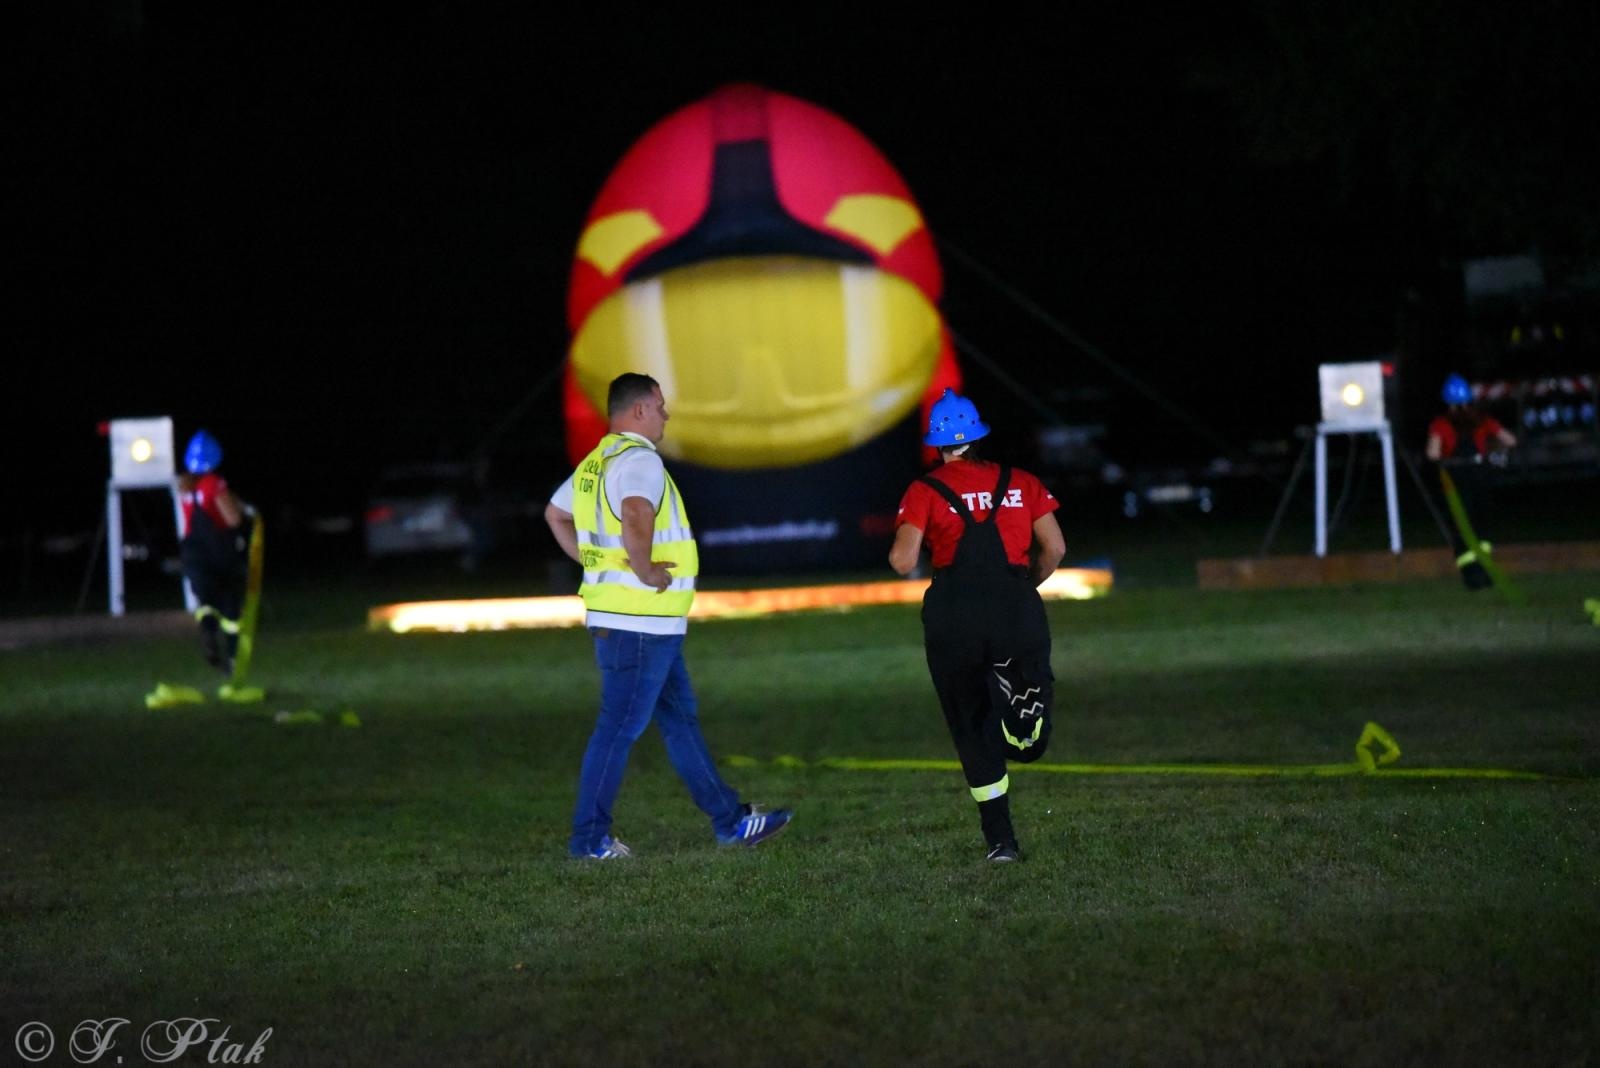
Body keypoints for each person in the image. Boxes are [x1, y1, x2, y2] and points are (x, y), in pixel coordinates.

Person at [545, 372, 793, 860]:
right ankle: (589, 840)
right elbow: (637, 514)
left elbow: (556, 515)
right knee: (618, 728)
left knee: (680, 721)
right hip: (640, 622)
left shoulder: (596, 462)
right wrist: (642, 568)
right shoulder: (638, 460)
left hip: (632, 621)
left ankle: (731, 821)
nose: (666, 414)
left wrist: (595, 563)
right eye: (660, 405)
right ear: (638, 411)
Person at [889, 389, 1065, 863]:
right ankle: (1020, 729)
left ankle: (1000, 841)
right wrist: (1021, 586)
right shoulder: (1022, 482)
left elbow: (902, 559)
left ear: (938, 445)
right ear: (979, 436)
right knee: (1027, 726)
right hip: (1015, 611)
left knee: (970, 726)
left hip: (954, 620)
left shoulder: (924, 490)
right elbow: (1055, 549)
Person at [1425, 373, 1517, 590]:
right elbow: (1510, 440)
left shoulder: (1441, 424)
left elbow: (1433, 454)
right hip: (1481, 475)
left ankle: (1471, 575)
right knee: (1481, 526)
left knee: (1461, 528)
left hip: (1456, 479)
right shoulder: (1483, 420)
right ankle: (1484, 570)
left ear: (1447, 401)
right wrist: (1494, 451)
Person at [177, 429, 252, 681]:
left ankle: (208, 635)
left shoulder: (186, 486)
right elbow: (232, 519)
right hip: (219, 553)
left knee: (205, 603)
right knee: (231, 608)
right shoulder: (214, 484)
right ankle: (233, 657)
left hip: (193, 554)